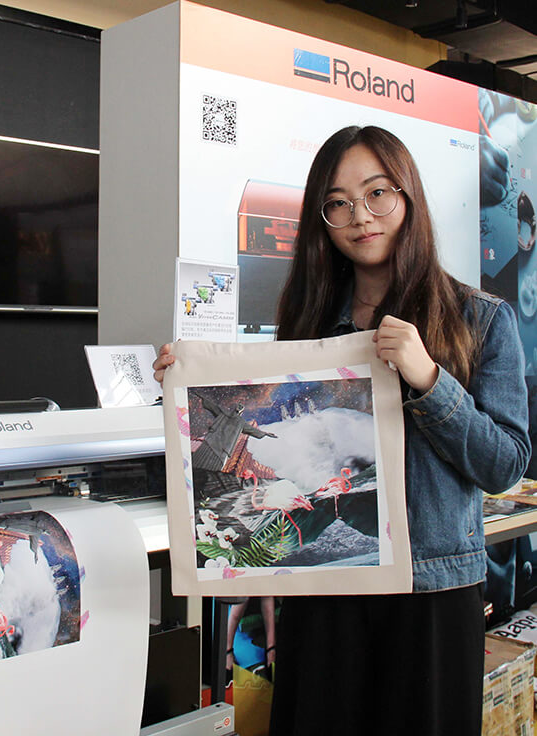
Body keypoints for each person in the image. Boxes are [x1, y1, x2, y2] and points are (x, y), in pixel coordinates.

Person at [154, 125, 530, 735]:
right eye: (338, 203)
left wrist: (429, 380)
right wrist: (184, 385)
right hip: (326, 592)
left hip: (429, 594)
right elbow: (258, 425)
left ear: (408, 197)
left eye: (378, 193)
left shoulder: (479, 319)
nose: (361, 216)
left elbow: (506, 464)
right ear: (321, 219)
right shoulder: (308, 320)